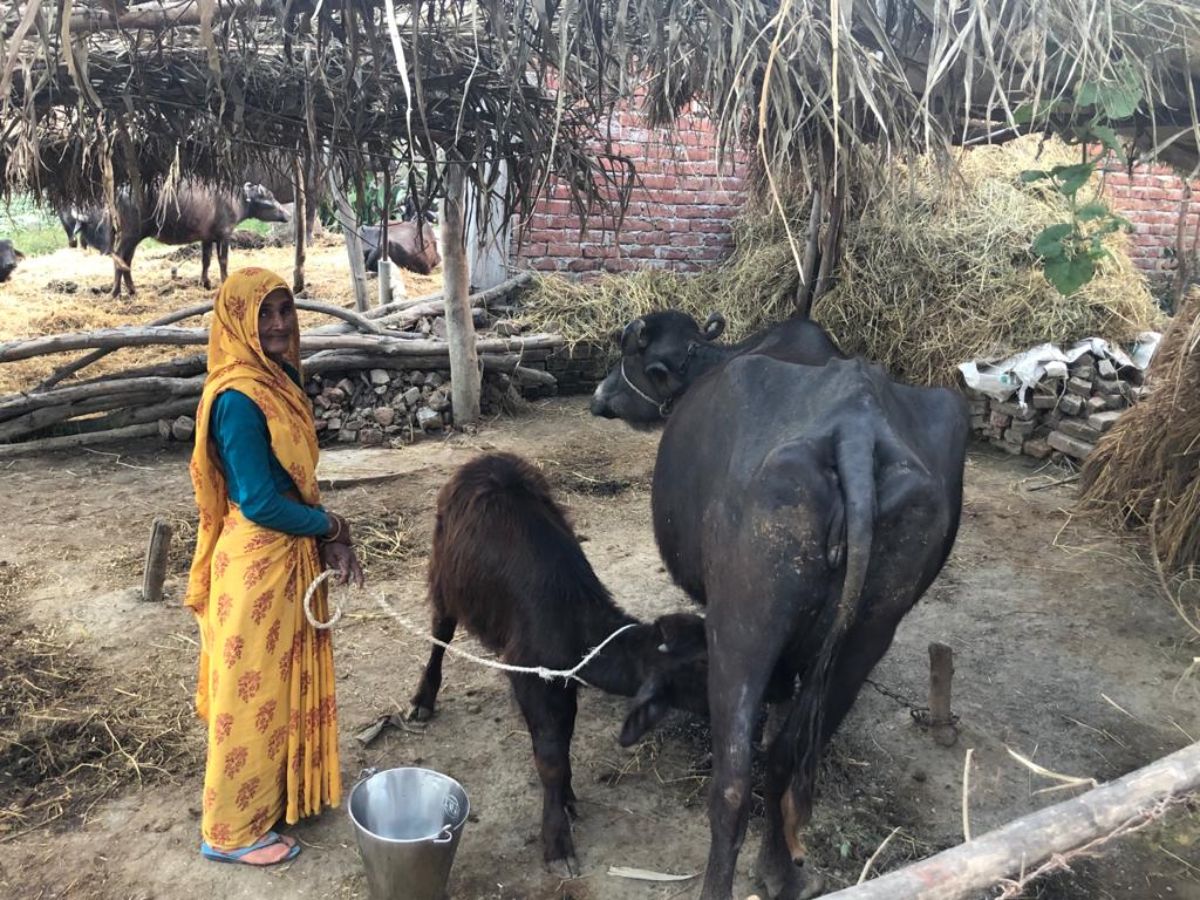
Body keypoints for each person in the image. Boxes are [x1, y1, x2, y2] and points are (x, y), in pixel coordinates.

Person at [184, 267, 364, 866]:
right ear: (237, 320)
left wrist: (321, 534)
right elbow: (259, 499)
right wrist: (332, 526)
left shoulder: (278, 377)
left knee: (278, 688)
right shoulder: (238, 397)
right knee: (250, 693)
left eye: (285, 310)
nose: (279, 324)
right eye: (264, 313)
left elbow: (287, 484)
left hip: (285, 555)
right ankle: (230, 833)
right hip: (258, 561)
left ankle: (275, 796)